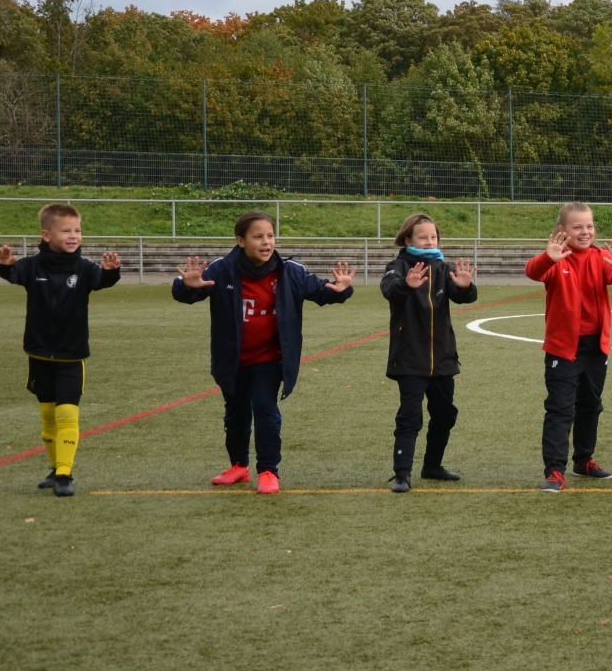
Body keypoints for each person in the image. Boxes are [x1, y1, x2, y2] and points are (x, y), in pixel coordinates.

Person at [173, 211, 355, 494]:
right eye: (258, 236)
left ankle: (269, 470)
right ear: (241, 240)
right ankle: (239, 466)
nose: (266, 242)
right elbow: (189, 291)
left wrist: (341, 290)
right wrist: (185, 286)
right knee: (235, 416)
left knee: (264, 407)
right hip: (232, 359)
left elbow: (322, 291)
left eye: (270, 235)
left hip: (269, 358)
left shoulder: (290, 270)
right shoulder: (222, 269)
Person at [0, 203, 122, 496]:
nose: (74, 235)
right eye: (66, 230)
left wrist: (112, 272)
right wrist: (3, 264)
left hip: (72, 356)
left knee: (67, 414)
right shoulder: (31, 265)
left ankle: (65, 475)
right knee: (48, 416)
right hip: (38, 353)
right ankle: (55, 468)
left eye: (77, 230)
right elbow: (10, 273)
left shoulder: (85, 268)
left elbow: (102, 280)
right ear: (46, 235)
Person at [526, 203, 612, 493]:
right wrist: (548, 259)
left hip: (596, 348)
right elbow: (532, 272)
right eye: (578, 227)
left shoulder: (601, 257)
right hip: (563, 349)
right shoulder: (556, 259)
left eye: (589, 226)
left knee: (590, 406)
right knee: (560, 410)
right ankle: (555, 472)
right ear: (563, 230)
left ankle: (583, 461)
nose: (585, 232)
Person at [380, 213, 478, 493]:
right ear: (408, 238)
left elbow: (463, 296)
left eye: (433, 236)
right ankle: (402, 474)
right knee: (410, 417)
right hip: (409, 359)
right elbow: (389, 290)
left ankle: (432, 466)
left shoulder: (442, 266)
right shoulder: (398, 266)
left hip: (443, 359)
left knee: (445, 414)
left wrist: (465, 286)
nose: (429, 241)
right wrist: (406, 285)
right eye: (423, 237)